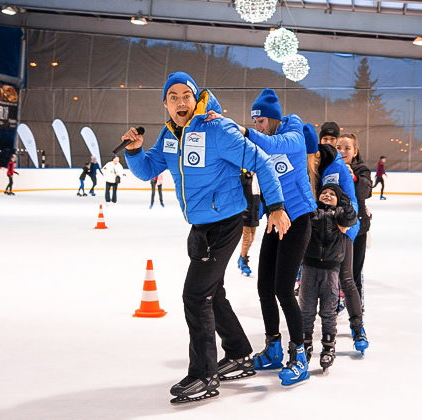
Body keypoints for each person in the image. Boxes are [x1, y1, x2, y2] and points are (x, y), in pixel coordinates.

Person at [122, 72, 290, 404]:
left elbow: (264, 161)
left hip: (226, 221)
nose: (180, 102)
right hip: (200, 225)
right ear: (165, 104)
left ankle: (204, 374)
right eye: (173, 97)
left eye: (186, 95)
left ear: (196, 97)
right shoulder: (170, 135)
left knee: (195, 296)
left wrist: (276, 206)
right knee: (213, 292)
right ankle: (240, 353)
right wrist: (135, 151)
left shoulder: (218, 129)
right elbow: (146, 171)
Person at [205, 88, 316, 386]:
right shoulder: (260, 139)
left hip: (299, 218)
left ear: (274, 119)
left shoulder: (294, 131)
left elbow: (272, 142)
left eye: (262, 120)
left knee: (283, 289)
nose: (258, 125)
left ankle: (300, 354)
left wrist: (240, 128)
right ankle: (273, 348)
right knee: (264, 287)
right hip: (274, 219)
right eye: (254, 121)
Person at [304, 125, 369, 355]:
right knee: (309, 286)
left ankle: (358, 328)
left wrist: (346, 228)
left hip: (340, 233)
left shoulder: (337, 167)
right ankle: (306, 334)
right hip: (315, 235)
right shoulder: (307, 168)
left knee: (347, 279)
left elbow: (351, 200)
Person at [300, 183, 357, 371]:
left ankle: (328, 346)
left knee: (328, 311)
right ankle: (305, 343)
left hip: (331, 270)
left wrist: (346, 204)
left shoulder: (341, 216)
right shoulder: (313, 212)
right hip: (309, 267)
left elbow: (351, 219)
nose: (326, 195)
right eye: (324, 192)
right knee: (306, 310)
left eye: (332, 194)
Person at [335, 132, 372, 303]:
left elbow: (366, 191)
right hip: (336, 229)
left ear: (355, 151)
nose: (342, 151)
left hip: (358, 230)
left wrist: (354, 178)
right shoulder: (331, 167)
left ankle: (357, 307)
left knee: (354, 272)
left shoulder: (361, 170)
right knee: (335, 271)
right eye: (339, 147)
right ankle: (334, 303)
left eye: (347, 148)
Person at [237, 170, 260, 277]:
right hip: (245, 213)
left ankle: (242, 256)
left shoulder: (257, 178)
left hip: (254, 213)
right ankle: (243, 261)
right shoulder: (243, 178)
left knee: (251, 238)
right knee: (247, 238)